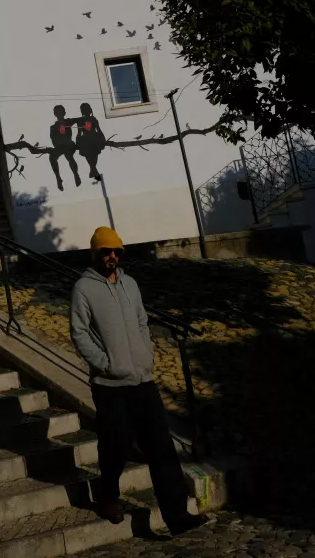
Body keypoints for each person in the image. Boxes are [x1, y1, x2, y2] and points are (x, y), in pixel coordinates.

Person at [69, 226, 204, 535]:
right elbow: (79, 332)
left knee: (162, 449)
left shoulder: (130, 284)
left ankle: (178, 516)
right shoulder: (84, 289)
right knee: (115, 447)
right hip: (109, 386)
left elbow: (143, 322)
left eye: (117, 251)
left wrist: (147, 356)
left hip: (143, 380)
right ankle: (108, 497)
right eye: (106, 251)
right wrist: (106, 364)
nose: (112, 256)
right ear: (95, 253)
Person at [48, 105, 82, 192]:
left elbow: (79, 120)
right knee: (52, 157)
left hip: (69, 145)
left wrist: (79, 133)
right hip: (59, 147)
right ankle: (58, 178)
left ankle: (76, 174)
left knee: (69, 156)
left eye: (61, 112)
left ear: (64, 113)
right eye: (57, 112)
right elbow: (53, 139)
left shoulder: (68, 122)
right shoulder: (53, 127)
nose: (59, 114)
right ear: (55, 114)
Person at [75, 103, 105, 180]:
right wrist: (77, 142)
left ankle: (93, 169)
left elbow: (98, 129)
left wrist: (102, 138)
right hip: (86, 140)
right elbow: (79, 132)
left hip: (94, 139)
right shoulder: (81, 121)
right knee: (89, 154)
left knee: (94, 154)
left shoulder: (93, 119)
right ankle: (93, 169)